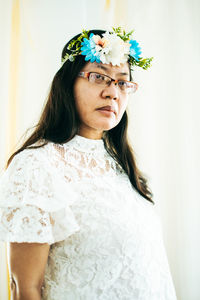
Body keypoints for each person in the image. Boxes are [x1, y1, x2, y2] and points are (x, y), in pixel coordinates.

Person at [0, 27, 177, 300]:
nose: (112, 92)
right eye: (99, 77)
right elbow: (25, 289)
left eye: (122, 82)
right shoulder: (36, 165)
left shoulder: (122, 165)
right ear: (68, 84)